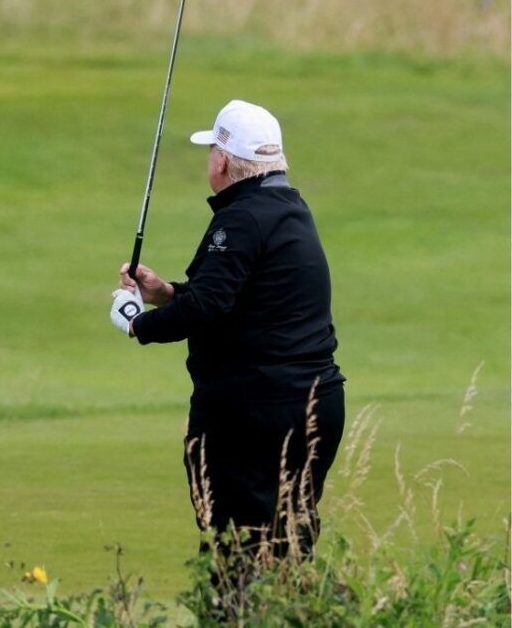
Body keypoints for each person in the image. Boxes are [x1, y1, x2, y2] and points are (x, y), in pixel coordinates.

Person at [108, 99, 346, 568]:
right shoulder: (290, 210)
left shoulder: (241, 218)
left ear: (222, 161)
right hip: (315, 405)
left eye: (211, 151)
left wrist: (138, 323)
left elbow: (209, 306)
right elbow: (230, 300)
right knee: (287, 548)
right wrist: (166, 293)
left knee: (237, 550)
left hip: (257, 415)